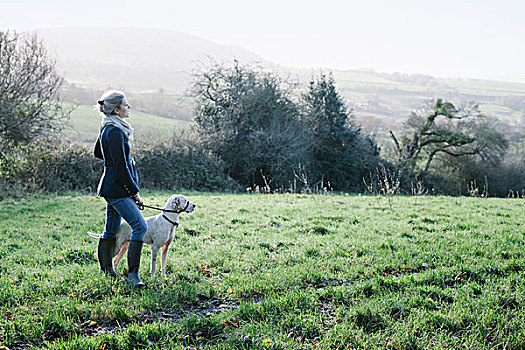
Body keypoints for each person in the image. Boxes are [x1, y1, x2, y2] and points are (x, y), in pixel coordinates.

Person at [93, 90, 147, 288]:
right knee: (140, 227)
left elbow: (98, 152)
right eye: (125, 105)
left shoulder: (107, 125)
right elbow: (121, 168)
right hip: (117, 189)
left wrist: (119, 158)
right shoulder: (115, 131)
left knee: (111, 229)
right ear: (116, 110)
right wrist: (135, 192)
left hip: (111, 187)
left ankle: (106, 269)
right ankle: (134, 275)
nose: (128, 107)